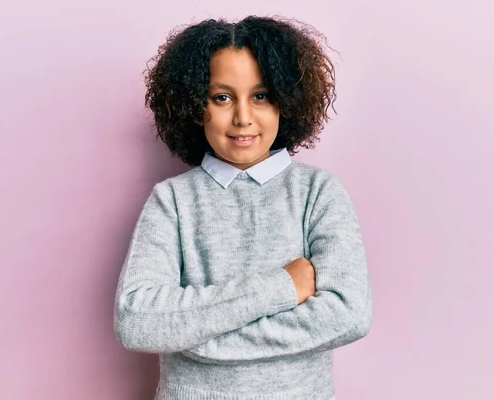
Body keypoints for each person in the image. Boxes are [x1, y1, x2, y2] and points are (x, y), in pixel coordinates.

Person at [114, 15, 373, 400]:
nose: (242, 117)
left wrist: (198, 338)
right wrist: (282, 287)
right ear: (193, 105)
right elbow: (137, 320)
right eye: (222, 97)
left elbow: (348, 313)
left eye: (261, 95)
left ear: (287, 101)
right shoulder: (172, 201)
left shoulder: (319, 193)